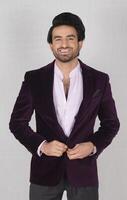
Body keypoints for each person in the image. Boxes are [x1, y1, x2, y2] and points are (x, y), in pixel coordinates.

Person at [9, 12, 120, 200]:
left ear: (80, 42)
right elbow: (17, 123)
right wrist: (42, 145)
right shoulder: (34, 79)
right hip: (44, 173)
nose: (64, 45)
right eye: (57, 39)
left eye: (70, 38)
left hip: (84, 172)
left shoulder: (99, 80)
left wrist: (92, 145)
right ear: (51, 44)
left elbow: (111, 124)